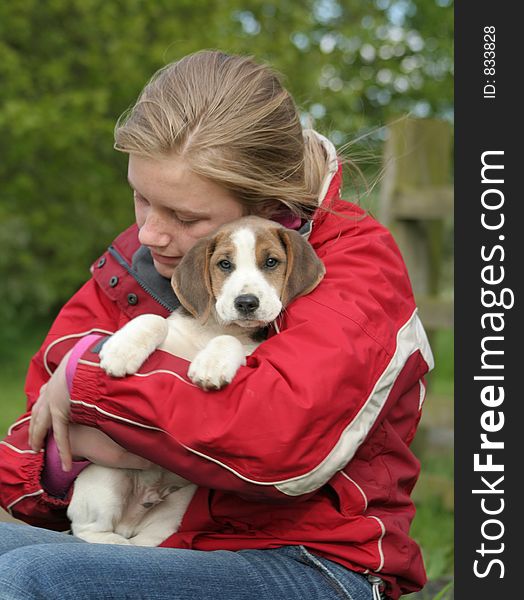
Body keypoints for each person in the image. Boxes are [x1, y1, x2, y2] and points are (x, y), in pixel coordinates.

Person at [0, 50, 433, 600]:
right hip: (153, 537)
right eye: (140, 198)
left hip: (308, 562)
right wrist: (71, 458)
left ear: (268, 205)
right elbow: (22, 451)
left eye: (185, 217)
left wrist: (92, 393)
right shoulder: (146, 257)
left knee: (28, 581)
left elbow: (277, 442)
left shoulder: (355, 267)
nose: (151, 233)